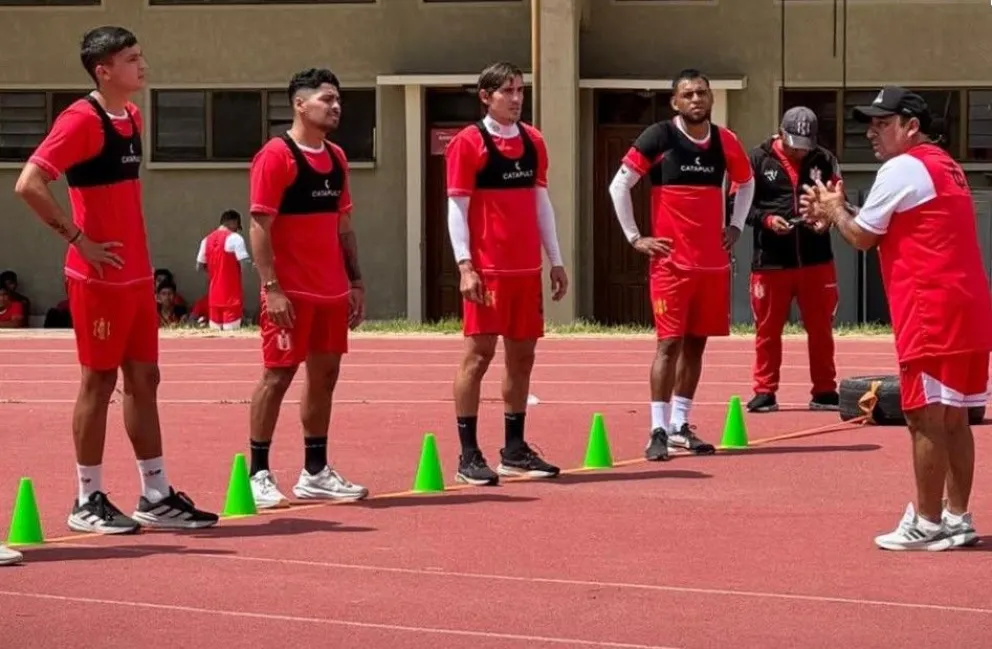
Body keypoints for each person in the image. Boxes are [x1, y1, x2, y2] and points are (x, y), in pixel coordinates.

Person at [13, 26, 218, 535]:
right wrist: (77, 238)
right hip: (98, 278)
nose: (142, 65)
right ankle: (87, 498)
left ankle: (155, 494)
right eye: (131, 59)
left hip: (135, 276)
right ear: (104, 70)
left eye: (141, 55)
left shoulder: (132, 116)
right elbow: (29, 183)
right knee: (99, 382)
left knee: (144, 380)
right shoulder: (80, 119)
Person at [800, 86, 987, 551]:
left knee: (924, 417)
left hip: (930, 308)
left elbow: (863, 237)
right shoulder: (944, 165)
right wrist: (840, 213)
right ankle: (956, 517)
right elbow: (889, 223)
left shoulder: (901, 167)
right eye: (871, 122)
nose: (872, 131)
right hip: (966, 304)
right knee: (954, 419)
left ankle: (926, 523)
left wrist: (835, 210)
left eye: (883, 123)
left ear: (911, 127)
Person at [607, 68, 755, 461]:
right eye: (687, 94)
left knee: (696, 346)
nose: (696, 100)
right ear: (675, 101)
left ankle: (679, 427)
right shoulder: (659, 136)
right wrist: (635, 237)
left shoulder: (725, 141)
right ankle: (657, 427)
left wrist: (736, 225)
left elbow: (747, 181)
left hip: (711, 265)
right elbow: (618, 185)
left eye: (702, 93)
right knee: (668, 345)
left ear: (710, 98)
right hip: (671, 266)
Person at [246, 67, 368, 509]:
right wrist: (271, 288)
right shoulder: (275, 156)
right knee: (278, 376)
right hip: (290, 293)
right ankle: (257, 472)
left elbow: (344, 224)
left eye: (338, 100)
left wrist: (354, 281)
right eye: (326, 99)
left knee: (325, 378)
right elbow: (259, 224)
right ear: (300, 104)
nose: (335, 107)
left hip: (331, 292)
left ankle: (315, 472)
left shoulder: (336, 157)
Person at [444, 61, 568, 486]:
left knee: (522, 358)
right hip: (487, 272)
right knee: (478, 357)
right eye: (507, 92)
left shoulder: (533, 141)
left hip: (524, 272)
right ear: (486, 96)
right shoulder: (468, 143)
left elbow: (541, 204)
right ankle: (468, 454)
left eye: (520, 91)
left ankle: (514, 450)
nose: (516, 99)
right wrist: (465, 266)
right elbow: (457, 208)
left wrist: (555, 260)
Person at [742, 107, 841, 414]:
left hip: (817, 260)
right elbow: (739, 206)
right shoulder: (756, 159)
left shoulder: (825, 159)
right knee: (768, 330)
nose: (800, 150)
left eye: (805, 145)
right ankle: (765, 390)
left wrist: (826, 219)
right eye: (794, 143)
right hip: (771, 262)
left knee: (821, 328)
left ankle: (825, 390)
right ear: (780, 134)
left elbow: (839, 198)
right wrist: (768, 220)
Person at [196, 209, 250, 330]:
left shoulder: (206, 240)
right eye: (237, 226)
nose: (236, 229)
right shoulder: (235, 238)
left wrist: (214, 271)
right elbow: (244, 262)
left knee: (216, 336)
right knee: (231, 334)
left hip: (214, 296)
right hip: (231, 296)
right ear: (233, 222)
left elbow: (199, 266)